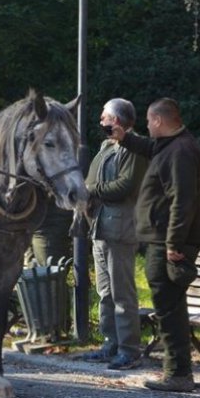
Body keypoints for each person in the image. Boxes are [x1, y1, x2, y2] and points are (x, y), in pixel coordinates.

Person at [111, 97, 200, 392]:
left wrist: (173, 243)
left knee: (168, 309)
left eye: (149, 122)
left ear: (157, 121)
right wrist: (125, 138)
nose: (147, 127)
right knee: (170, 306)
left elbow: (183, 201)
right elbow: (149, 147)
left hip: (167, 242)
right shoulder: (172, 145)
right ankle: (178, 372)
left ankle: (177, 373)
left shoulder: (180, 152)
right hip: (162, 239)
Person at [82, 98, 148, 370]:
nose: (101, 122)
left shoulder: (136, 148)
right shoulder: (106, 146)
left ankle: (129, 349)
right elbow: (91, 179)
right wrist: (92, 187)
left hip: (122, 228)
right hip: (100, 226)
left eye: (104, 118)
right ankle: (110, 343)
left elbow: (125, 186)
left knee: (122, 292)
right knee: (105, 291)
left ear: (116, 121)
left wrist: (93, 189)